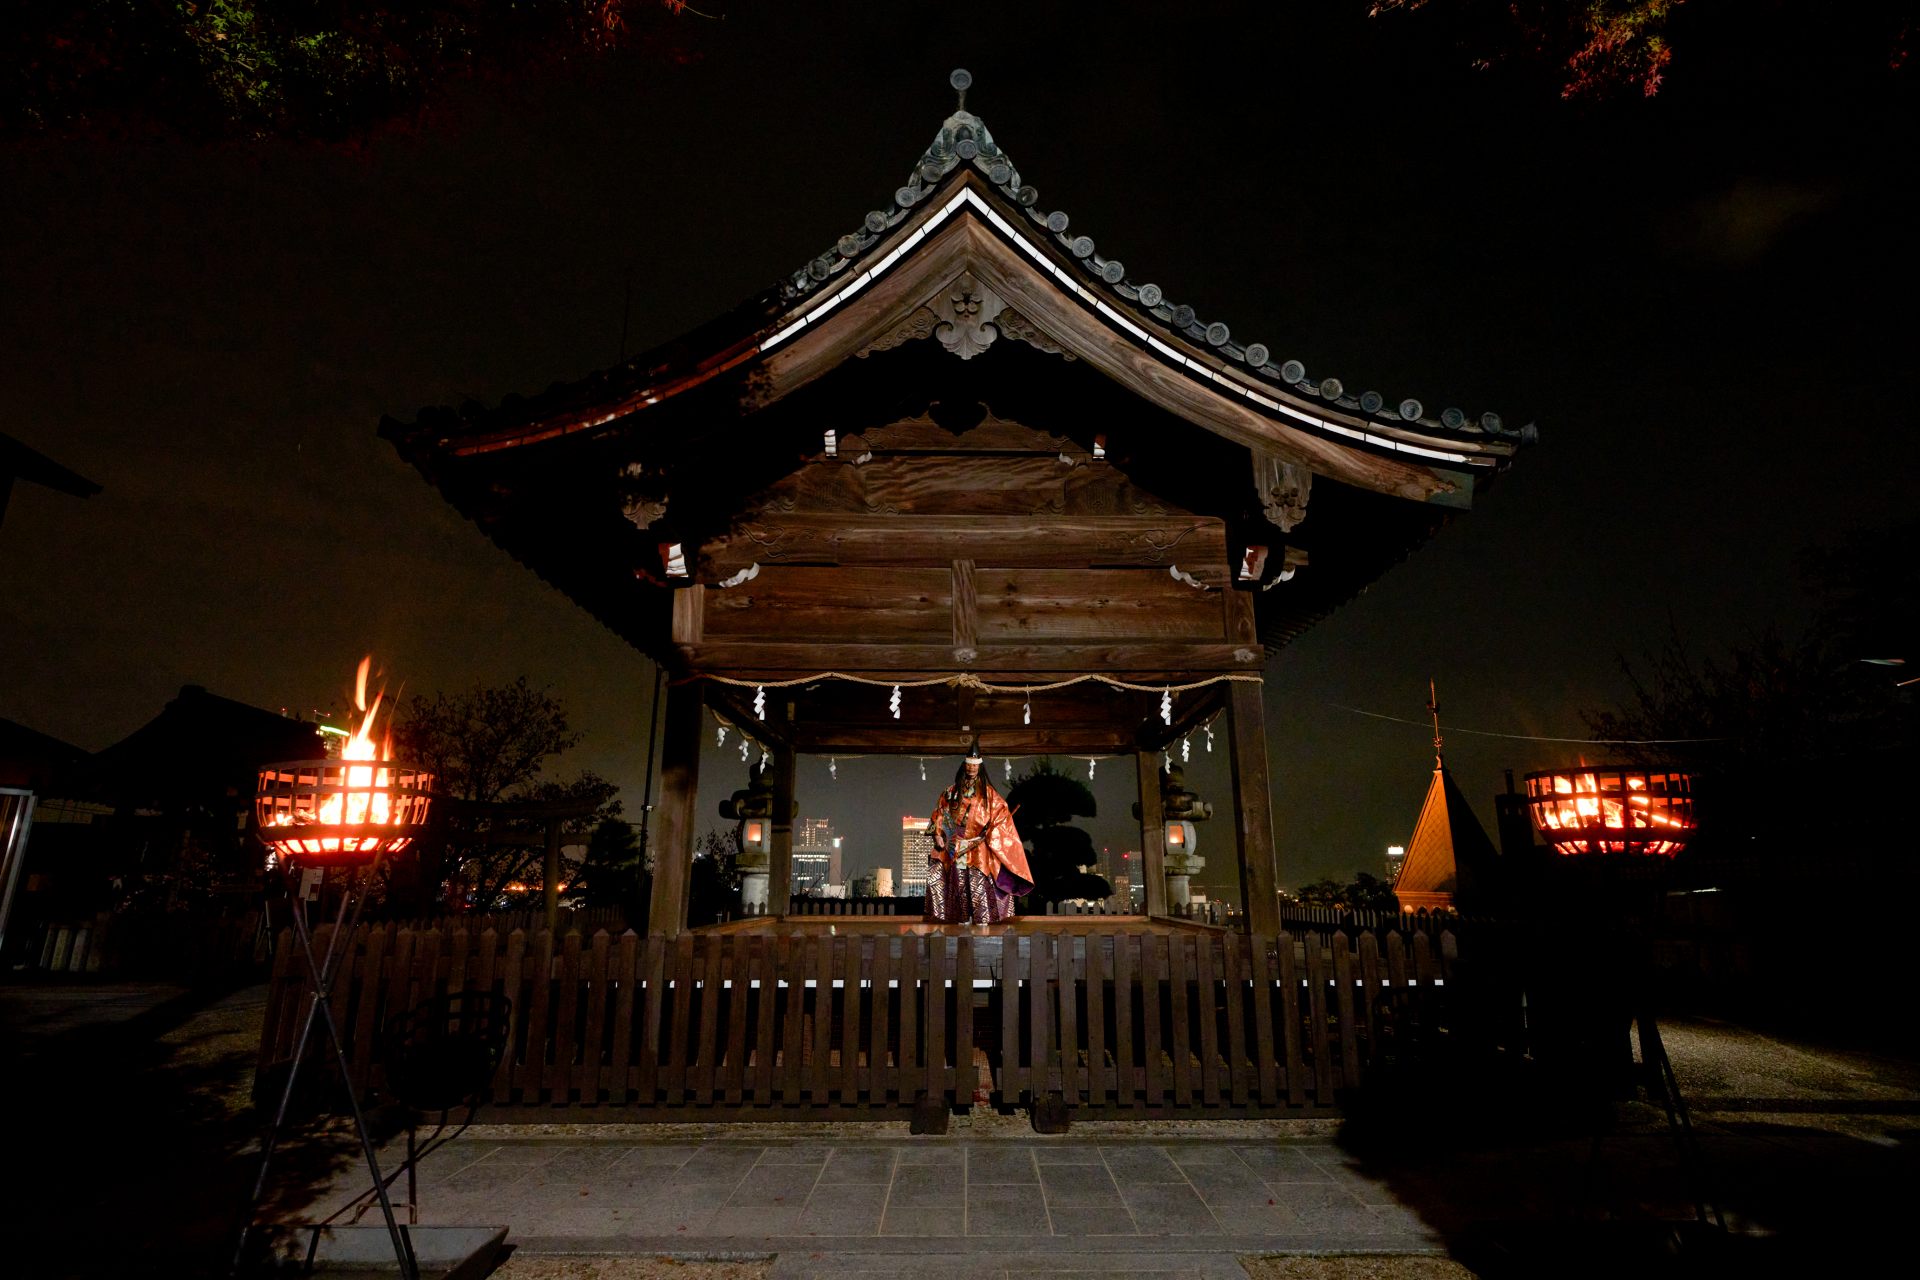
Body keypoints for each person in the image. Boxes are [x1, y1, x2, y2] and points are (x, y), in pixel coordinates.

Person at [925, 742, 1032, 926]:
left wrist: (992, 831)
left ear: (980, 767)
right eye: (969, 764)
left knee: (979, 882)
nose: (972, 768)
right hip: (955, 845)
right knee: (958, 882)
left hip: (979, 845)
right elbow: (939, 812)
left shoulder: (989, 795)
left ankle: (982, 917)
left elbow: (1002, 816)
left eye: (975, 765)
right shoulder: (951, 792)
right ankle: (960, 916)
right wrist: (937, 834)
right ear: (964, 765)